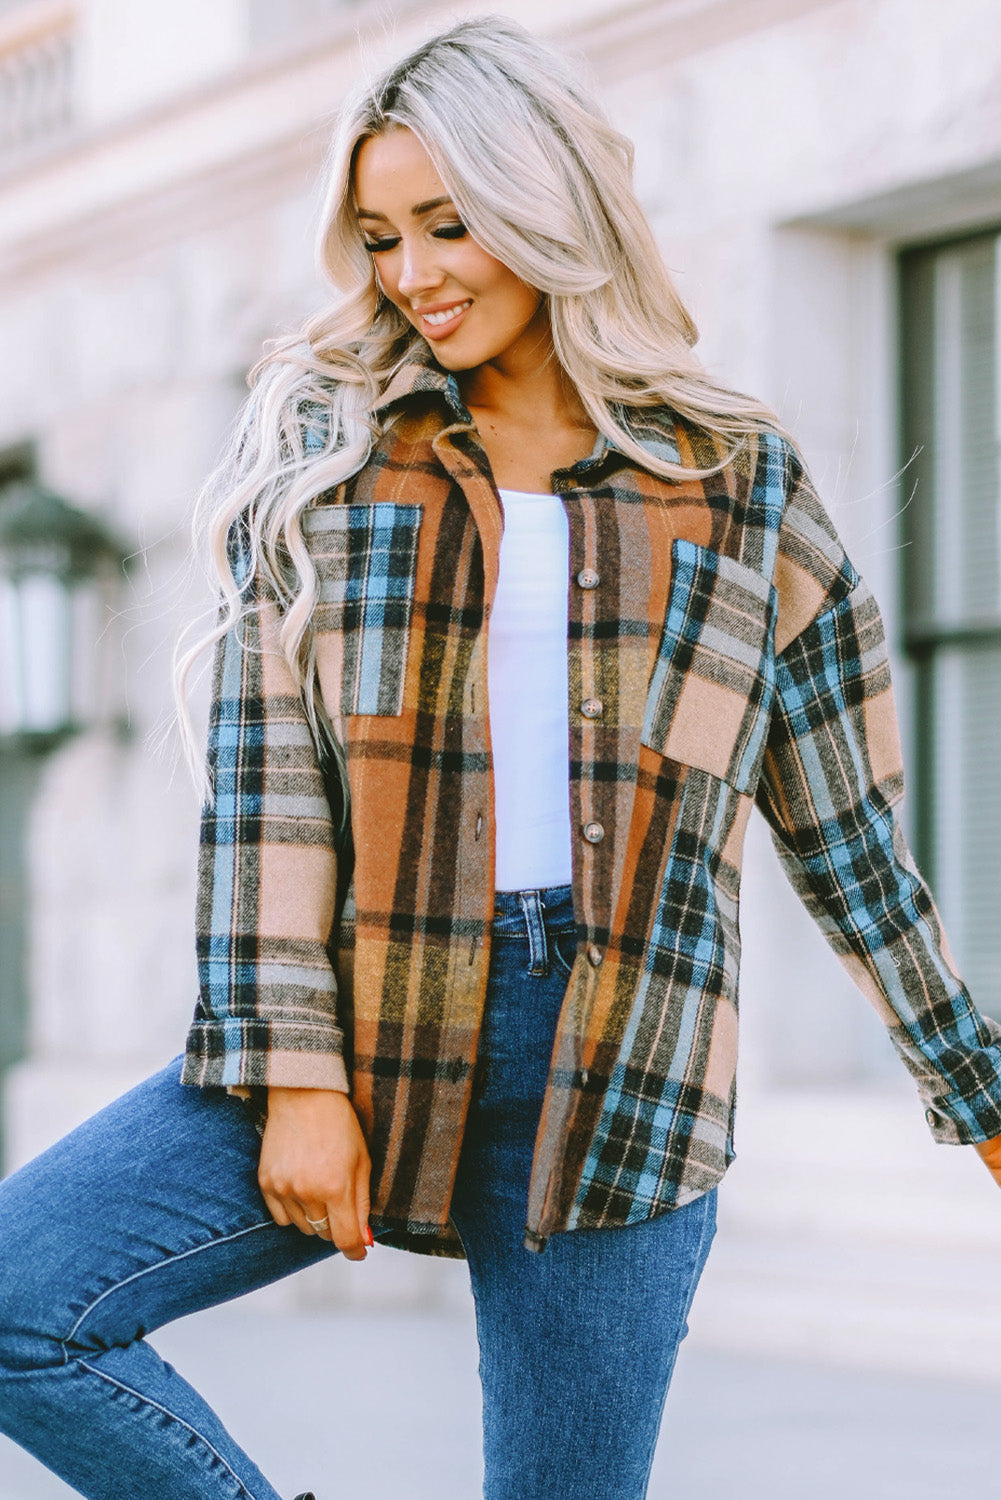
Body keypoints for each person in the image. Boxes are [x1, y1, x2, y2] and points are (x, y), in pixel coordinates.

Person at [2, 15, 1001, 1500]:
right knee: (25, 1304)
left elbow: (843, 834)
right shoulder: (335, 456)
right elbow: (268, 793)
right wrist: (295, 1078)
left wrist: (968, 1084)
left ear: (550, 204)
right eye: (381, 234)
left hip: (624, 1073)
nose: (414, 274)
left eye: (450, 224)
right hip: (361, 1016)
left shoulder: (733, 482)